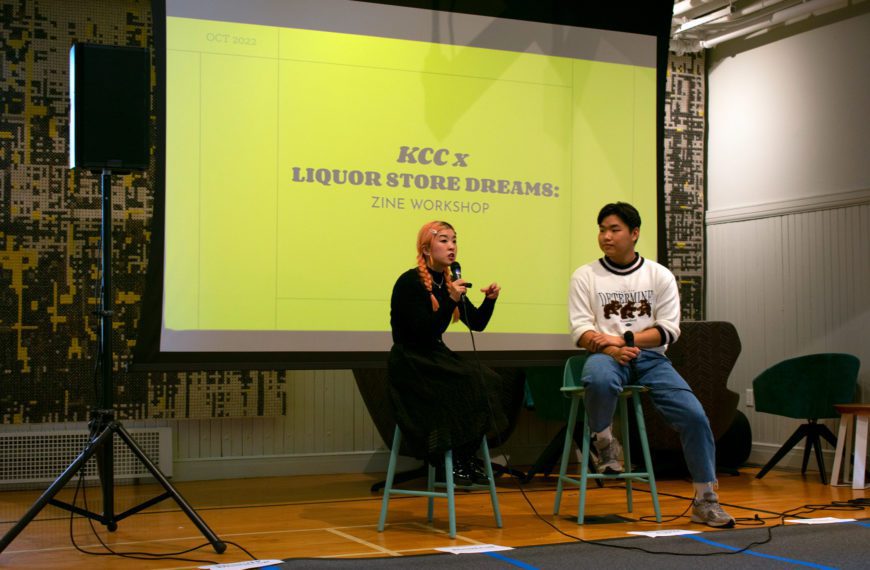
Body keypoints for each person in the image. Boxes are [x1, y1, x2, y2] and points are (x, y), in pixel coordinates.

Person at [568, 202, 736, 528]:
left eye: (614, 229)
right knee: (599, 379)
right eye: (602, 230)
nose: (606, 236)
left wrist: (623, 339)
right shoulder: (585, 275)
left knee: (694, 415)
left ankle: (705, 499)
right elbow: (581, 331)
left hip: (651, 358)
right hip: (605, 355)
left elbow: (669, 330)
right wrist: (612, 348)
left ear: (634, 234)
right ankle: (605, 443)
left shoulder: (659, 275)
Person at [388, 220, 516, 484]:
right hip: (412, 360)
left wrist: (490, 301)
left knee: (489, 380)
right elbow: (423, 331)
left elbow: (477, 323)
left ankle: (465, 456)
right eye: (444, 240)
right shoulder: (410, 282)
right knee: (465, 383)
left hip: (435, 355)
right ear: (426, 249)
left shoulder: (449, 283)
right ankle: (448, 458)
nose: (452, 247)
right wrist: (452, 299)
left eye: (454, 240)